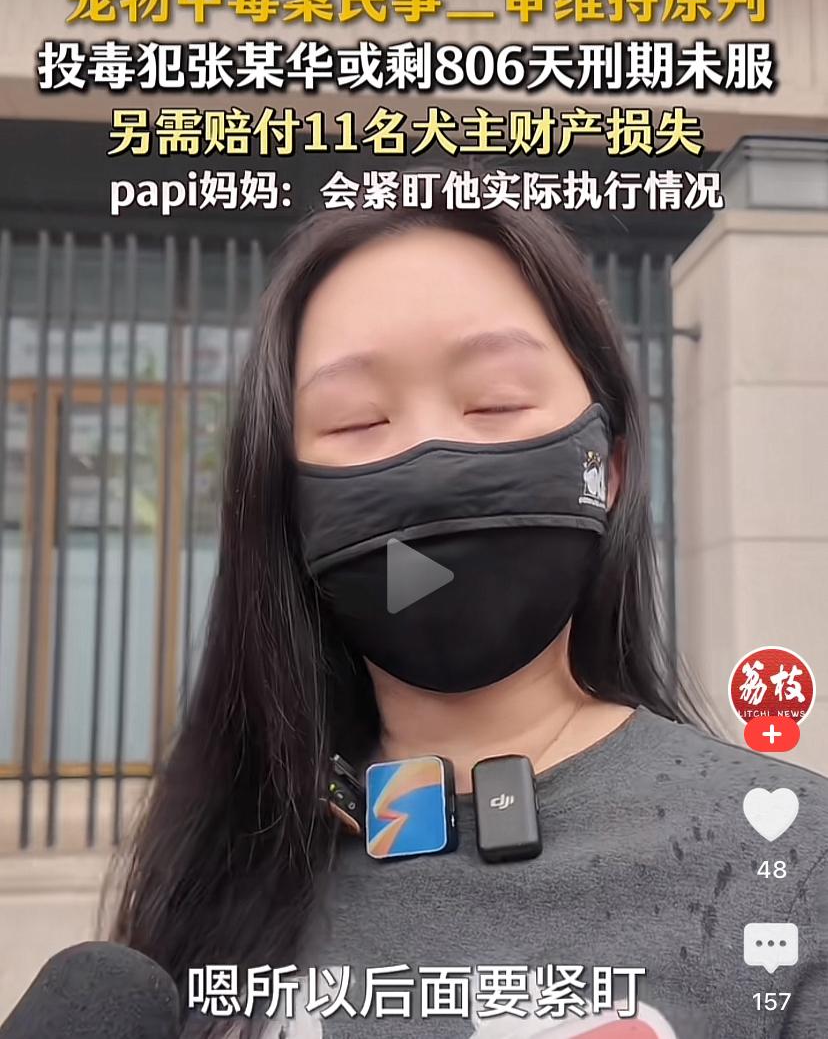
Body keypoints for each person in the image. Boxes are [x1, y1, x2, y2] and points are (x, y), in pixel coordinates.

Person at [108, 199, 828, 1039]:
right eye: (356, 421)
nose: (429, 463)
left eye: (493, 403)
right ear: (286, 505)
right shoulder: (222, 865)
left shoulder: (788, 860)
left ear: (611, 467)